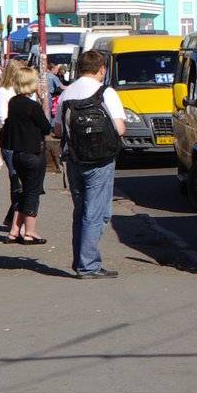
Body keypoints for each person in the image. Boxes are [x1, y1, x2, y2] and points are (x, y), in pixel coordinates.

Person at [53, 50, 126, 279]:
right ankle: (89, 265)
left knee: (81, 211)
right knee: (97, 213)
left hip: (74, 159)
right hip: (101, 160)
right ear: (101, 69)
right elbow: (120, 129)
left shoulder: (67, 94)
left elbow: (57, 130)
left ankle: (81, 260)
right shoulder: (106, 92)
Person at [0, 67, 52, 245]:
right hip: (33, 153)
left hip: (17, 154)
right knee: (32, 192)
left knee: (23, 192)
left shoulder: (13, 102)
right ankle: (29, 231)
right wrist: (44, 99)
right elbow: (46, 127)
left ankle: (14, 230)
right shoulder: (33, 106)